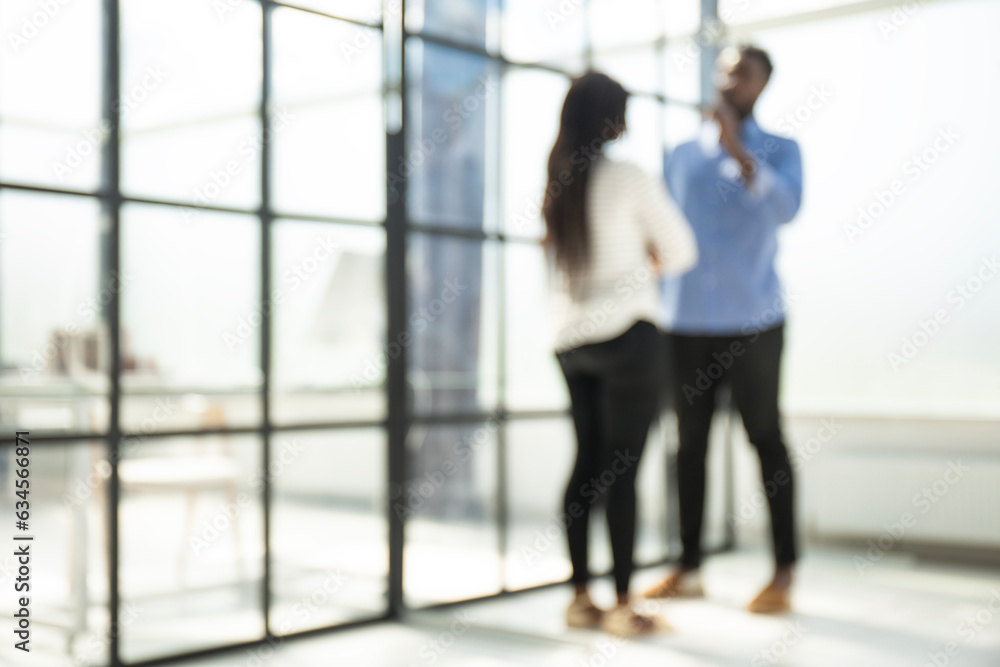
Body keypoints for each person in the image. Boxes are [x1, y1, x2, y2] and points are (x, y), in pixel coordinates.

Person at [643, 45, 803, 614]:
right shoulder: (680, 154)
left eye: (745, 72)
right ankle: (688, 569)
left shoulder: (781, 150)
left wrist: (740, 153)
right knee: (690, 447)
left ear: (763, 84)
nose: (731, 79)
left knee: (765, 440)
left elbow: (786, 209)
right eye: (726, 69)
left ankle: (784, 571)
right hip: (684, 324)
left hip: (755, 320)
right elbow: (657, 228)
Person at [543, 71, 698, 636]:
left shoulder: (557, 181)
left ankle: (581, 598)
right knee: (622, 471)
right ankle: (626, 605)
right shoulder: (628, 176)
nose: (628, 122)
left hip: (569, 339)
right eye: (623, 111)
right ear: (609, 117)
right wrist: (647, 264)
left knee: (585, 465)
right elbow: (681, 251)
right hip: (629, 335)